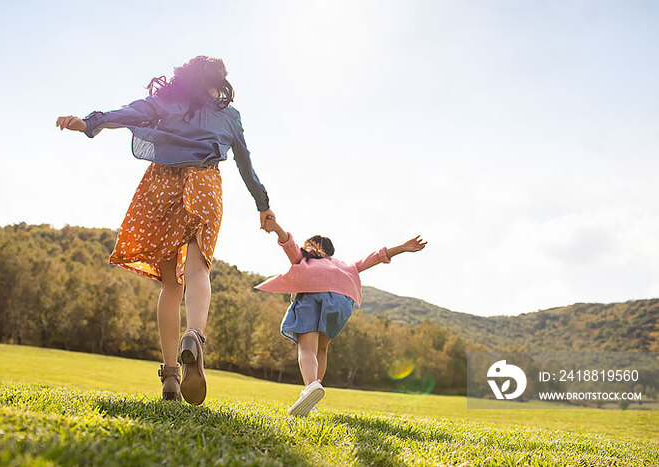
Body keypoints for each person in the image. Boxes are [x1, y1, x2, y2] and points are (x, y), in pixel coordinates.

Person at [56, 56, 274, 405]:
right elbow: (246, 164)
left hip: (162, 185)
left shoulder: (168, 101)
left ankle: (170, 376)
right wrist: (263, 206)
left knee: (170, 282)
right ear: (220, 81)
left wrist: (90, 122)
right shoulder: (230, 116)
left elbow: (131, 111)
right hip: (204, 182)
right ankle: (195, 336)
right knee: (199, 266)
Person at [256, 217, 426, 415]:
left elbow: (288, 242)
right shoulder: (344, 266)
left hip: (313, 296)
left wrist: (275, 226)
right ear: (331, 252)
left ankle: (311, 386)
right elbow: (373, 258)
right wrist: (402, 248)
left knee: (306, 347)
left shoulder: (304, 259)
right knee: (322, 349)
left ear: (310, 248)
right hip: (341, 302)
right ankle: (312, 398)